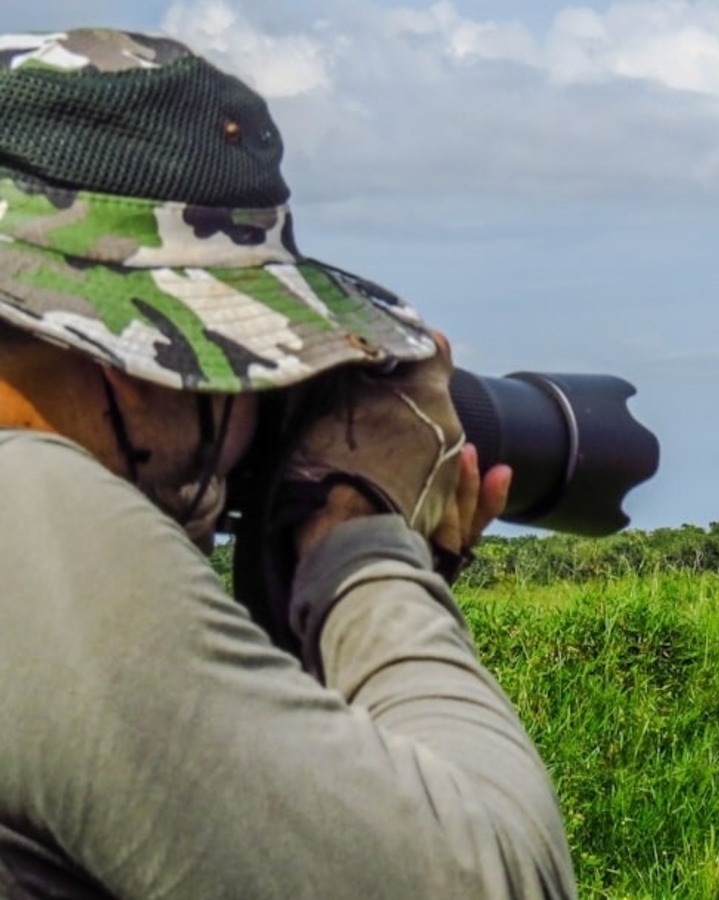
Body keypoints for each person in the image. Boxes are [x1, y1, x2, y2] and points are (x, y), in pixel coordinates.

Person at [0, 27, 578, 899]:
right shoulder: (31, 506)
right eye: (223, 362)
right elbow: (490, 882)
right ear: (80, 345)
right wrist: (362, 547)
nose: (248, 411)